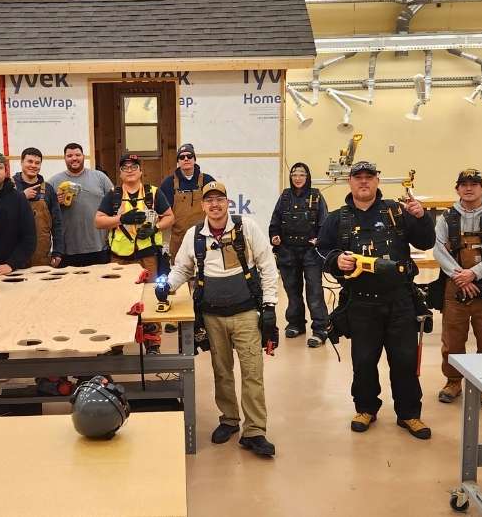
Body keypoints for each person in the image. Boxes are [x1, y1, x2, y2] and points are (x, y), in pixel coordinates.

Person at [317, 161, 436, 440]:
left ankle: (409, 414)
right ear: (350, 182)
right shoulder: (338, 218)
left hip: (400, 301)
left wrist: (421, 218)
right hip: (360, 303)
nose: (363, 182)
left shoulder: (398, 211)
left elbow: (425, 242)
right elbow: (322, 251)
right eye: (358, 178)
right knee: (364, 360)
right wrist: (337, 260)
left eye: (369, 177)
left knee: (405, 360)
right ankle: (365, 408)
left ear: (377, 181)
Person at [159, 181, 279, 456]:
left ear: (228, 203)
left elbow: (267, 266)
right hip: (212, 316)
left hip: (246, 313)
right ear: (203, 206)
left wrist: (270, 305)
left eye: (219, 199)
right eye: (209, 200)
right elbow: (182, 268)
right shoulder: (194, 235)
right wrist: (167, 287)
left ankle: (255, 431)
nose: (214, 205)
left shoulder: (246, 228)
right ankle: (229, 420)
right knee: (222, 372)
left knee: (252, 373)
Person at [432, 169, 482, 410]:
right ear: (457, 189)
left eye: (474, 184)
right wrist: (461, 277)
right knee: (452, 339)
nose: (469, 188)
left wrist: (474, 274)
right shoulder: (446, 217)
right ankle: (453, 381)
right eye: (464, 184)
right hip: (454, 287)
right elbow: (438, 249)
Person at [268, 162, 330, 347]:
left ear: (307, 177)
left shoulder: (316, 196)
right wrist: (275, 236)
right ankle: (295, 324)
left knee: (314, 291)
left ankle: (320, 329)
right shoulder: (285, 196)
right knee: (292, 291)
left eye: (302, 174)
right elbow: (275, 221)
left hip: (311, 253)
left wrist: (318, 240)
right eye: (294, 174)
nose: (298, 178)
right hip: (288, 251)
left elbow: (324, 224)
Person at [95, 154, 174, 277]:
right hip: (119, 259)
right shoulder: (113, 195)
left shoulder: (154, 193)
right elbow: (98, 222)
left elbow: (170, 217)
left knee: (148, 293)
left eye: (134, 167)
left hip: (148, 258)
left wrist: (155, 228)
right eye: (125, 168)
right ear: (120, 173)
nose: (130, 170)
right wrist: (121, 219)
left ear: (141, 171)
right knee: (120, 294)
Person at [48, 143, 115, 267]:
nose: (74, 158)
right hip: (67, 250)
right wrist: (56, 203)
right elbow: (45, 215)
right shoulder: (54, 181)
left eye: (78, 155)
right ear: (64, 158)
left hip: (99, 247)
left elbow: (115, 203)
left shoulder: (100, 178)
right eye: (69, 155)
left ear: (83, 156)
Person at [158, 143, 216, 260]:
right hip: (179, 241)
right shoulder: (168, 184)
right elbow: (162, 215)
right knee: (180, 275)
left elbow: (216, 208)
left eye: (189, 156)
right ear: (178, 162)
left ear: (194, 159)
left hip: (205, 239)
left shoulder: (207, 181)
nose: (186, 159)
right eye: (182, 157)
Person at [12, 147, 64, 267]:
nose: (33, 165)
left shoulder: (48, 189)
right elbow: (1, 214)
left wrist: (57, 252)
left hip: (41, 255)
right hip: (13, 255)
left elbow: (57, 223)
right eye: (29, 161)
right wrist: (22, 196)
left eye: (37, 163)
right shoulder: (9, 186)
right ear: (21, 162)